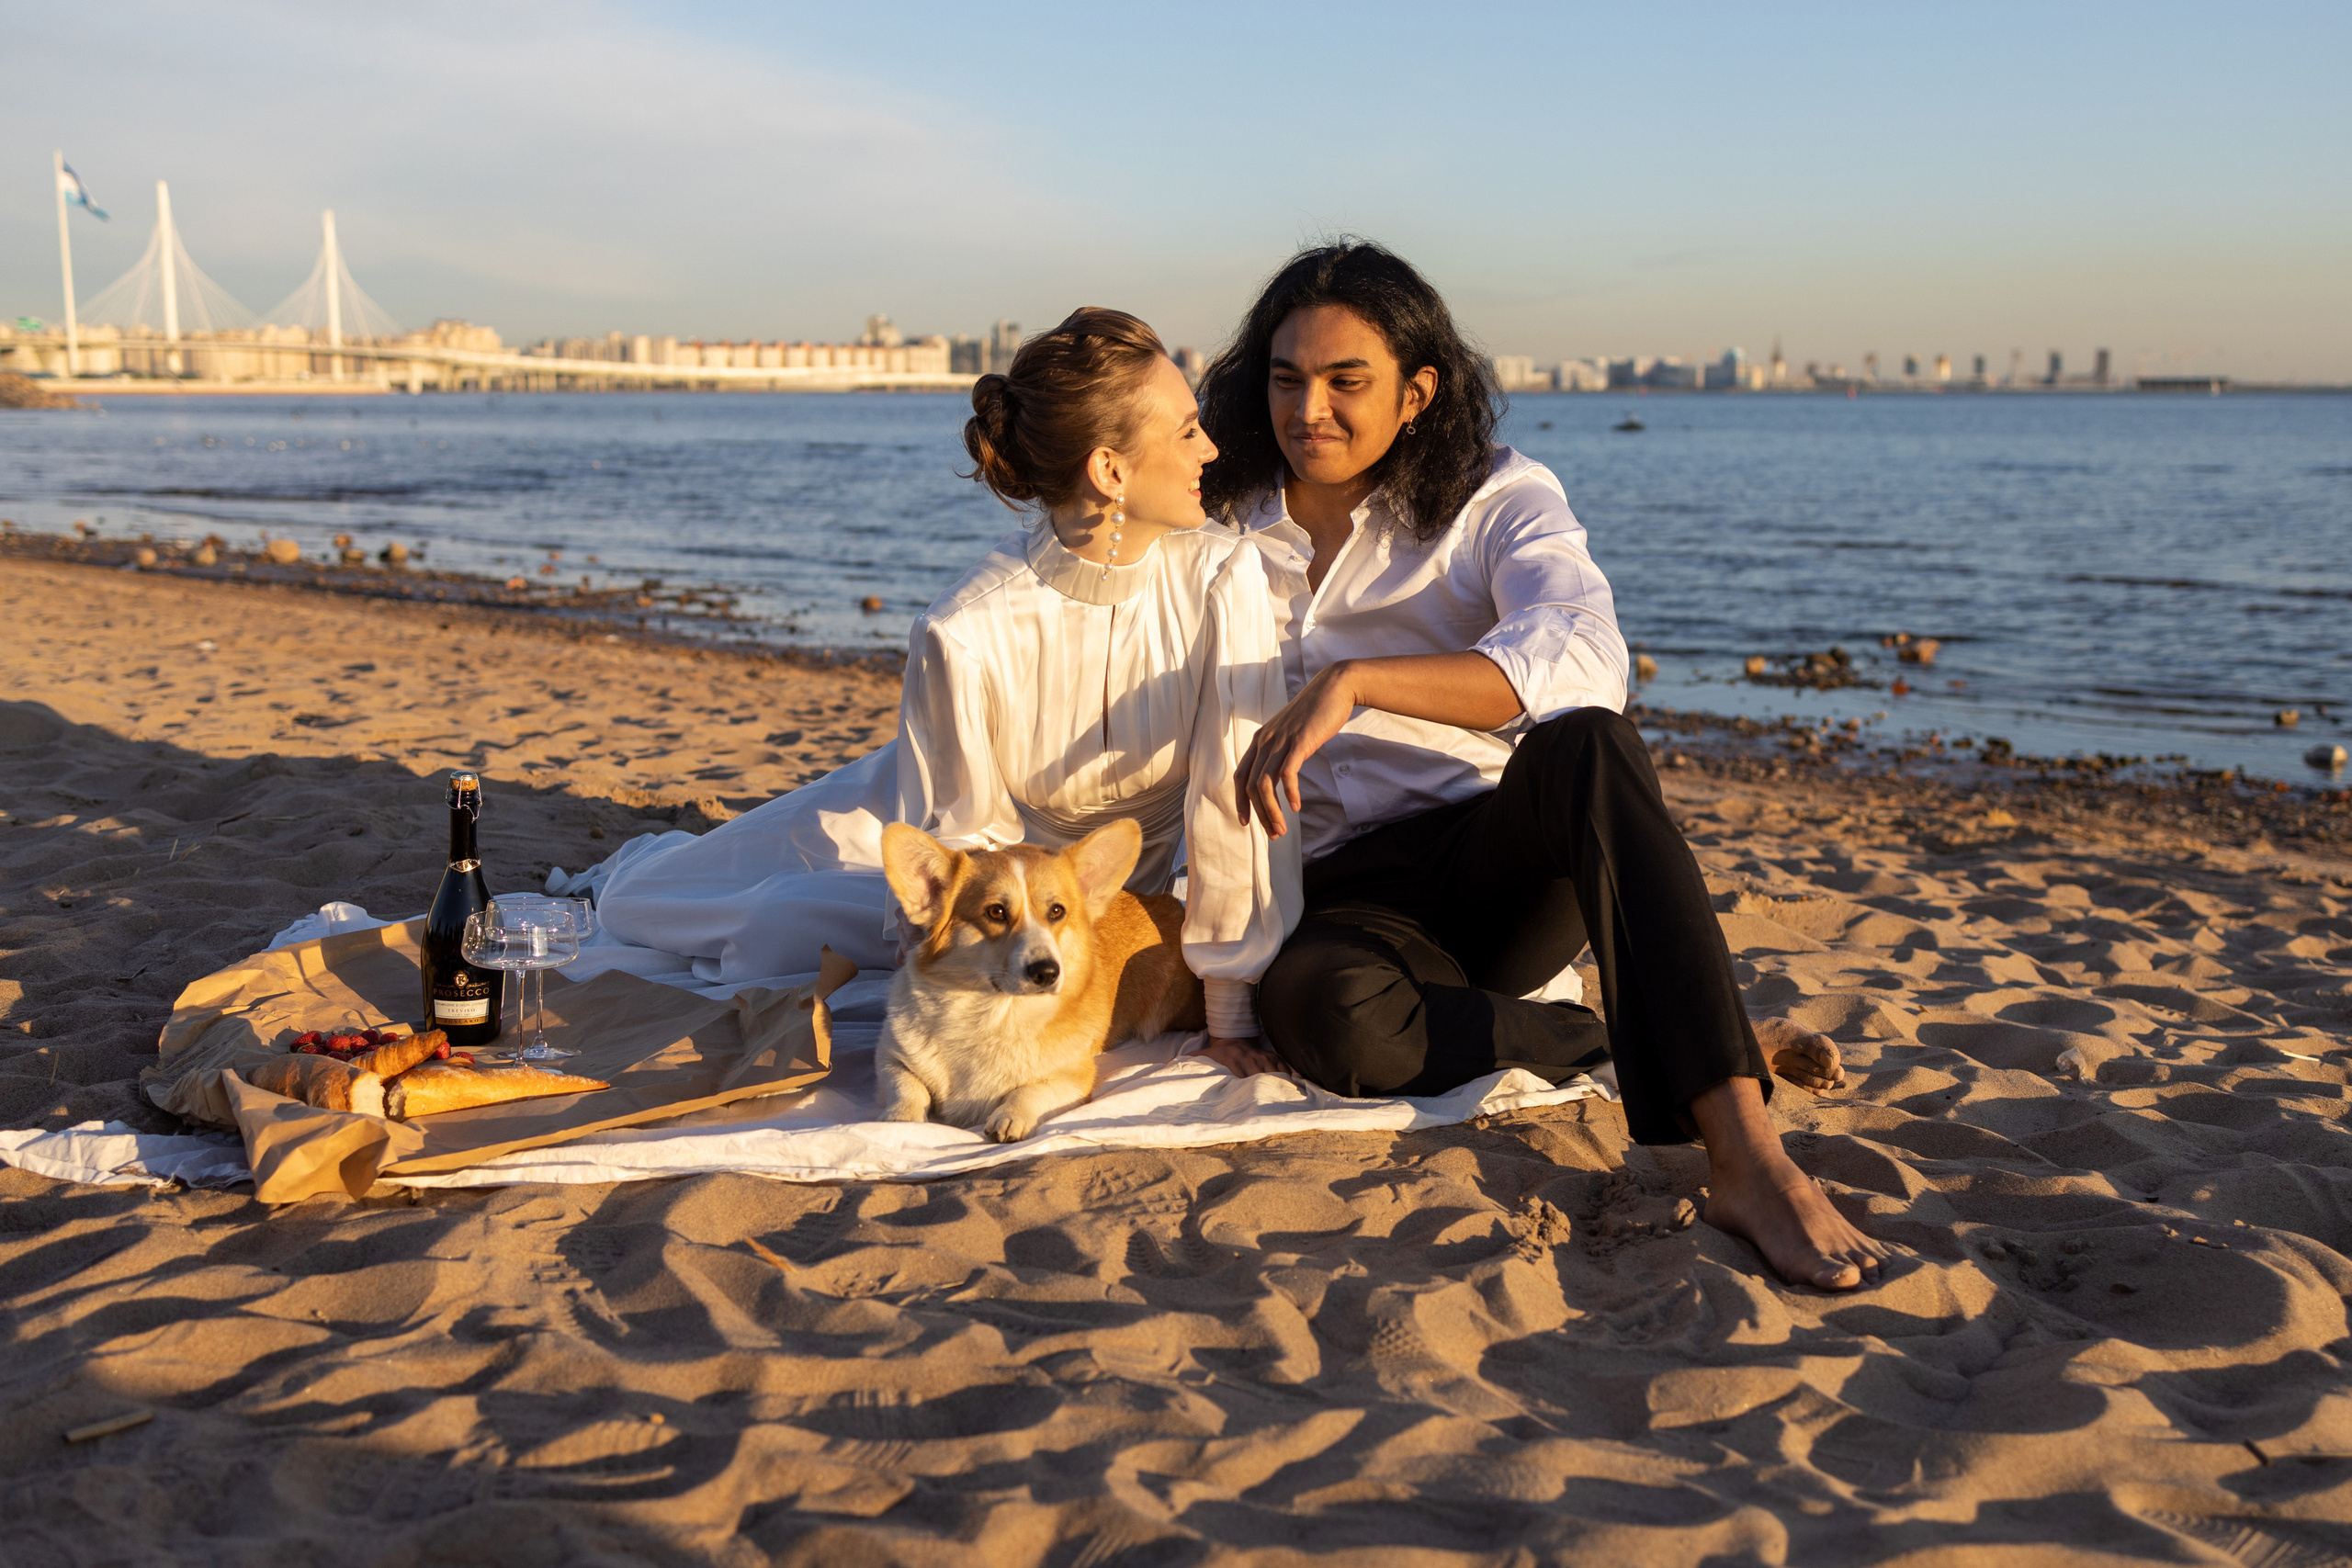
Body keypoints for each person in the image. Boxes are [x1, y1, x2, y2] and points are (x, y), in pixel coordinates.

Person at [1190, 242, 1888, 1292]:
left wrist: (1362, 681)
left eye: (1347, 382)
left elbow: (1584, 653)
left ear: (1417, 391)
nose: (1309, 410)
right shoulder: (1221, 516)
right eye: (1287, 379)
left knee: (1588, 744)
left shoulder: (1490, 495)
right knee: (1323, 1021)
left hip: (1490, 858)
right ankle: (1636, 1032)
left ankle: (1745, 1154)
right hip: (1331, 888)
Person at [581, 308, 1294, 1049]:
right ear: (1110, 469)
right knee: (699, 915)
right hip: (966, 858)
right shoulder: (965, 627)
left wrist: (1229, 1008)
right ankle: (640, 866)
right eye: (1186, 430)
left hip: (1113, 885)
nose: (1211, 447)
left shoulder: (1225, 577)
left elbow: (1231, 807)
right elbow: (966, 836)